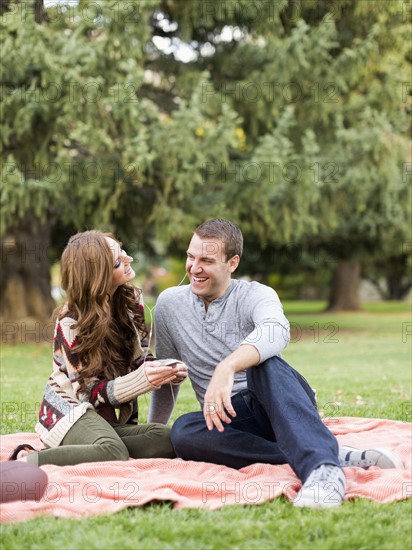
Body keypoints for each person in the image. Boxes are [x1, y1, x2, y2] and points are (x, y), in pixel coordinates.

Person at [149, 219, 403, 508]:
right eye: (190, 256)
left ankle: (324, 472)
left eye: (206, 260)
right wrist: (153, 430)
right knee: (184, 431)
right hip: (231, 420)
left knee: (263, 364)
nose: (194, 268)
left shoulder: (256, 294)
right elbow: (167, 373)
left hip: (277, 402)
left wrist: (227, 367)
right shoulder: (169, 304)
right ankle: (333, 454)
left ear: (232, 263)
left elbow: (276, 330)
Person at [11, 230, 187, 466]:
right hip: (71, 411)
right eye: (117, 262)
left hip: (107, 420)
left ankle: (96, 445)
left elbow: (139, 359)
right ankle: (27, 461)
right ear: (98, 276)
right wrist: (142, 379)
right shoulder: (70, 322)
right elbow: (87, 394)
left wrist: (164, 370)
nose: (128, 259)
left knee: (165, 438)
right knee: (113, 450)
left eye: (122, 250)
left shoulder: (131, 303)